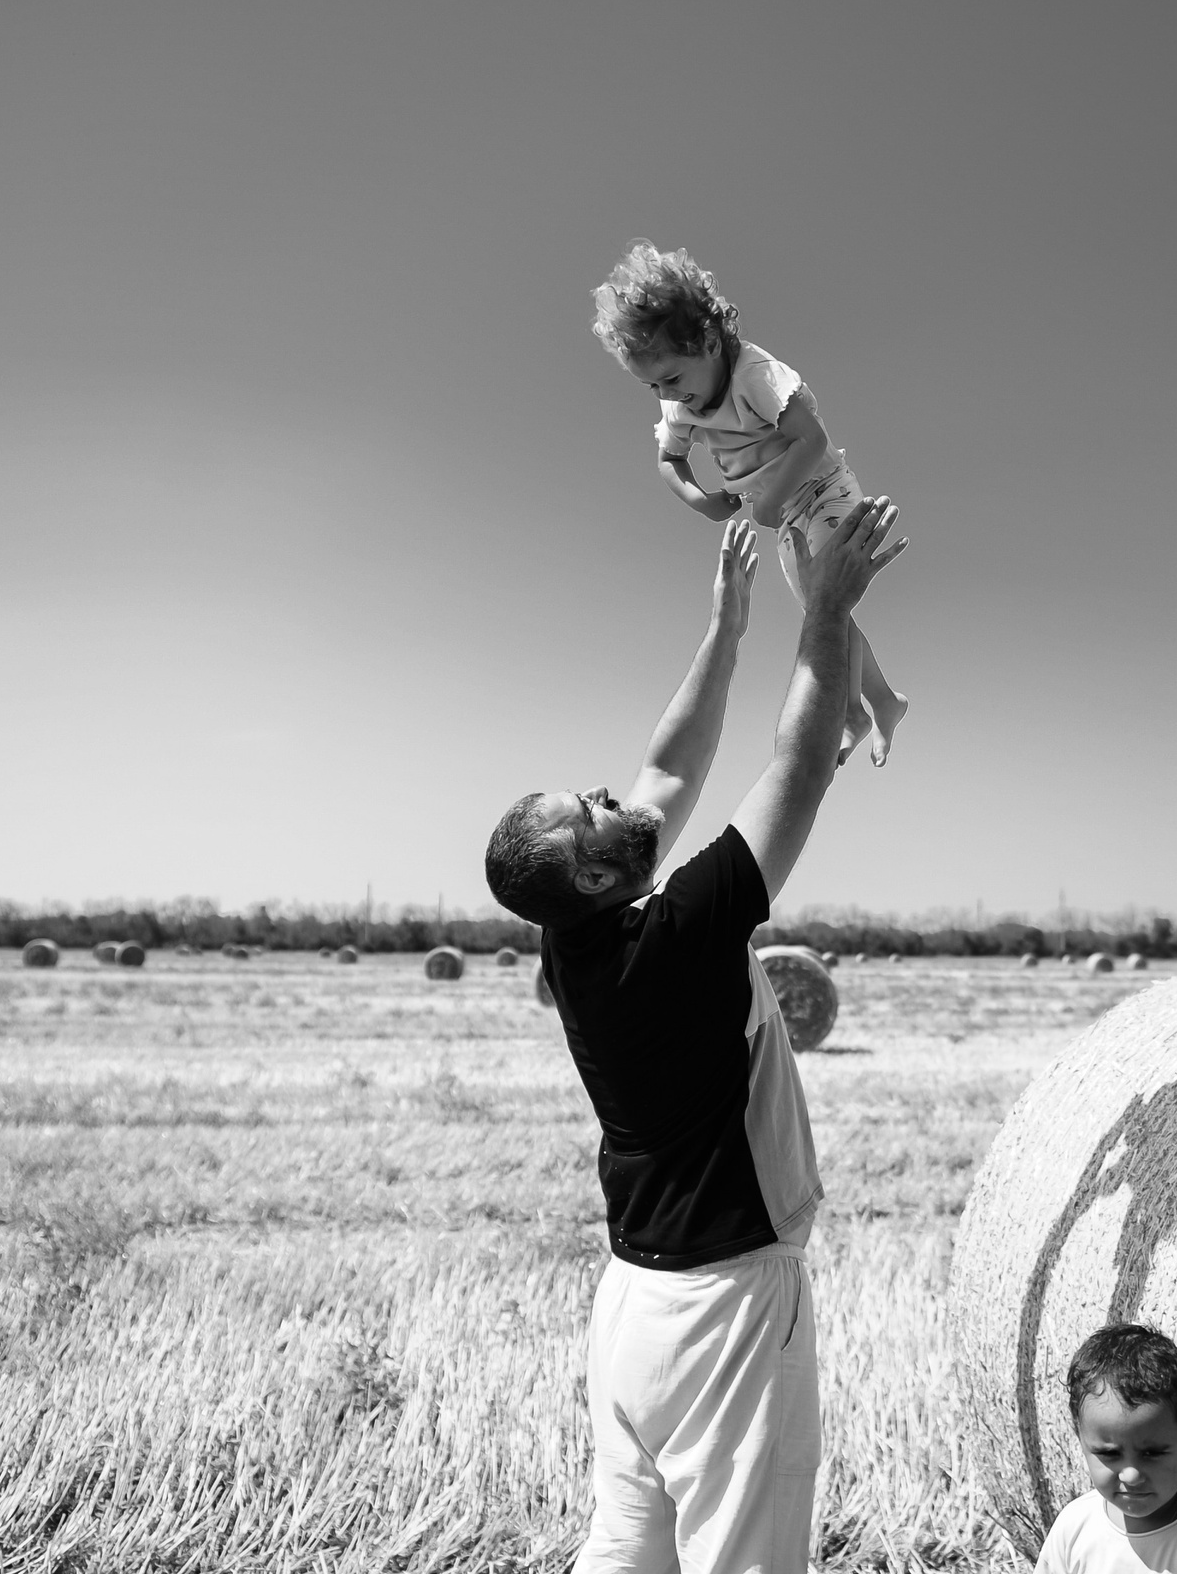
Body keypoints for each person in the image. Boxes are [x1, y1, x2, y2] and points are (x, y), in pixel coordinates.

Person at [483, 502, 907, 1574]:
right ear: (590, 872)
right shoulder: (675, 935)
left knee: (627, 1549)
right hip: (722, 1302)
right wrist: (829, 609)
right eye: (584, 810)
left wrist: (727, 630)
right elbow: (799, 766)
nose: (603, 794)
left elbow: (667, 772)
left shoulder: (580, 942)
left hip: (634, 1303)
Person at [592, 239, 909, 768]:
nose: (666, 395)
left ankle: (852, 711)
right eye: (651, 386)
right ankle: (882, 702)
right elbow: (669, 461)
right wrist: (702, 501)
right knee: (821, 607)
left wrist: (767, 505)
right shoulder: (681, 406)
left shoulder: (754, 378)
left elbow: (809, 437)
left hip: (823, 487)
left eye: (671, 377)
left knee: (829, 603)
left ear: (710, 342)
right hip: (784, 510)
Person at [1036, 1324, 1177, 1574]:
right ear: (1080, 1437)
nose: (1131, 1475)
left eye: (1151, 1453)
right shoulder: (1073, 1527)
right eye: (1109, 1454)